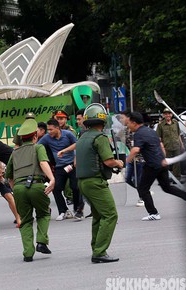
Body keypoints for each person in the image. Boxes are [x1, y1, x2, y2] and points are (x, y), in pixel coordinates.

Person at [75, 103, 124, 263]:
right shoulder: (100, 137)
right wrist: (119, 163)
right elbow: (108, 161)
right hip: (95, 182)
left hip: (83, 182)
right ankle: (100, 252)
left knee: (98, 215)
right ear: (102, 122)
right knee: (110, 214)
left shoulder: (82, 137)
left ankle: (96, 247)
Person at [126, 112, 186, 221]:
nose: (127, 125)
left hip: (152, 165)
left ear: (134, 123)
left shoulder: (138, 134)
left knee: (143, 189)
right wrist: (164, 158)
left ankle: (154, 213)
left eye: (128, 123)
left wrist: (126, 161)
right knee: (167, 187)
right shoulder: (151, 131)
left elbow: (136, 149)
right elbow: (161, 145)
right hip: (161, 163)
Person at [5, 118, 55, 262]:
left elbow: (8, 176)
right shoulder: (38, 147)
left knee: (25, 220)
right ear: (35, 136)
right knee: (44, 213)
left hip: (19, 188)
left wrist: (16, 189)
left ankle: (28, 253)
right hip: (36, 185)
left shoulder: (14, 153)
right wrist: (52, 179)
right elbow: (43, 163)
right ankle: (41, 241)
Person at [38, 119, 84, 220]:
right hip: (59, 167)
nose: (49, 132)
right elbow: (37, 147)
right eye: (48, 130)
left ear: (57, 128)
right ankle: (63, 211)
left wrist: (66, 151)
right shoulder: (46, 138)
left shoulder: (68, 134)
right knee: (55, 188)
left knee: (75, 187)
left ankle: (78, 210)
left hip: (72, 165)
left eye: (51, 129)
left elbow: (78, 145)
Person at [120, 110, 146, 207]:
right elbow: (115, 137)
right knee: (127, 178)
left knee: (138, 179)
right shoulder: (125, 130)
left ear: (128, 118)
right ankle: (144, 190)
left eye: (122, 118)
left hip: (140, 159)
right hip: (131, 158)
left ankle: (142, 197)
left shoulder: (137, 129)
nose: (121, 120)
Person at [156, 108, 184, 181]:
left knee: (177, 163)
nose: (168, 115)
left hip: (176, 146)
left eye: (169, 113)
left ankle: (177, 179)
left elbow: (178, 135)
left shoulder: (175, 123)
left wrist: (182, 144)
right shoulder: (161, 125)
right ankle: (164, 179)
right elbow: (158, 138)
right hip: (166, 147)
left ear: (171, 114)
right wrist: (161, 148)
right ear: (163, 115)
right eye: (166, 114)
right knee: (165, 164)